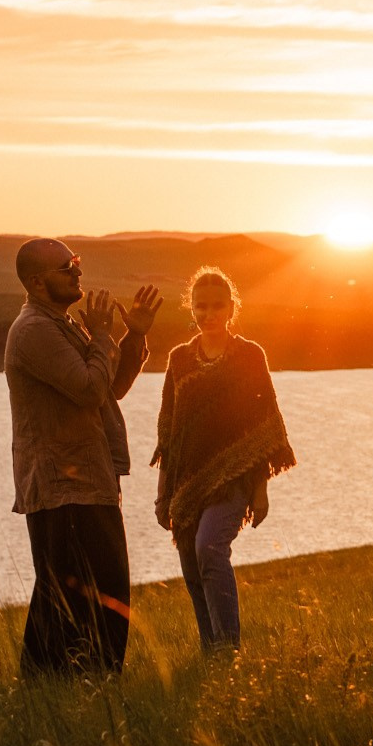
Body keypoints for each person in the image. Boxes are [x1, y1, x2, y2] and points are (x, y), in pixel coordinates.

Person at [5, 237, 161, 676]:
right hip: (63, 486)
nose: (77, 271)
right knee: (75, 596)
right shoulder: (35, 330)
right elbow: (91, 389)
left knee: (98, 593)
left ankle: (78, 687)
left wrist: (135, 335)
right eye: (65, 266)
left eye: (77, 262)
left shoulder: (63, 324)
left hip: (87, 480)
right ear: (37, 282)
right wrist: (105, 334)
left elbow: (107, 393)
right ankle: (62, 687)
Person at [152, 267, 296, 652]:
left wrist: (260, 491)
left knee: (209, 549)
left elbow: (263, 428)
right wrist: (163, 493)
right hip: (185, 483)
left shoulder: (250, 356)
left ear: (232, 308)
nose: (208, 313)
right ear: (191, 308)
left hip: (234, 480)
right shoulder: (179, 359)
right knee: (189, 561)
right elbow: (169, 432)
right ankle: (210, 650)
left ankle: (228, 649)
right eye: (200, 306)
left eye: (217, 306)